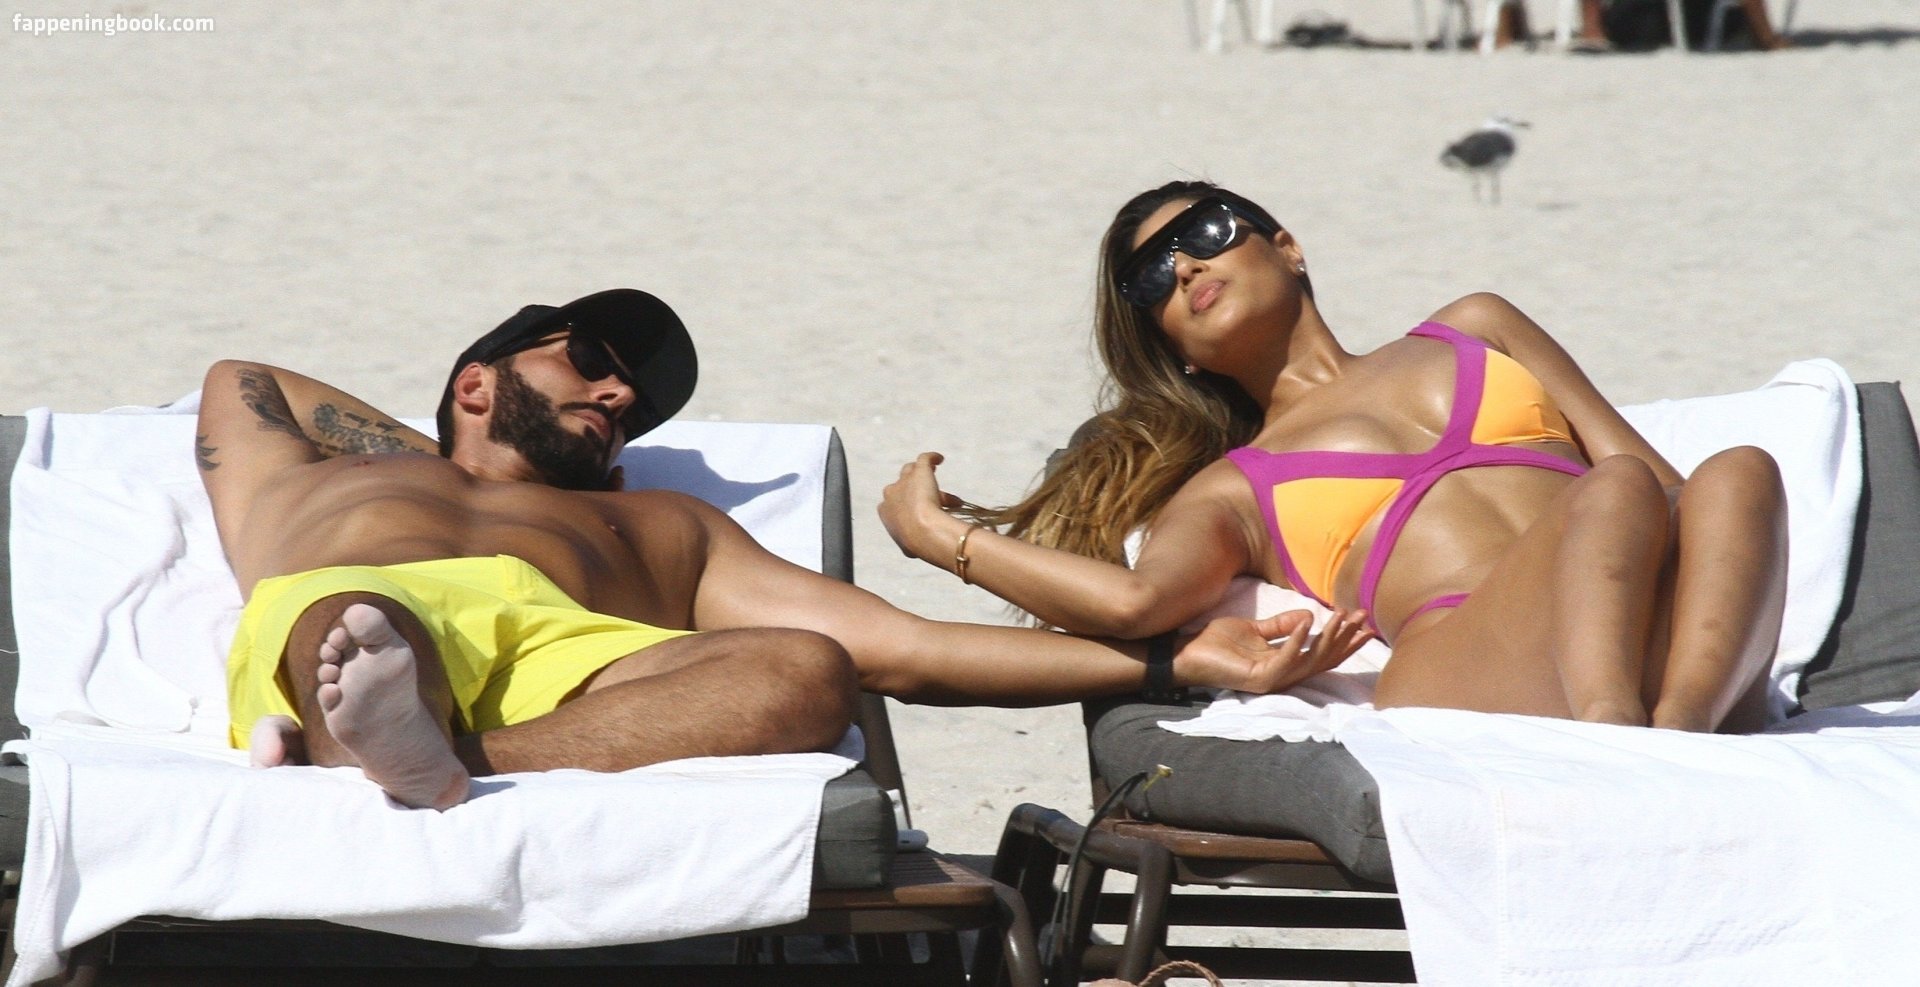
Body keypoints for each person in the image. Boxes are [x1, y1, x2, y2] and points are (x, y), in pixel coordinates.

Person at [200, 288, 1366, 811]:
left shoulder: (663, 523)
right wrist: (447, 467)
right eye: (591, 360)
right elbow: (241, 379)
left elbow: (905, 650)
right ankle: (388, 723)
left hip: (579, 661)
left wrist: (1176, 662)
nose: (619, 394)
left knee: (808, 672)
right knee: (363, 627)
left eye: (633, 401)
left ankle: (429, 758)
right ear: (476, 379)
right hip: (364, 604)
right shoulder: (334, 480)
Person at [880, 181, 1788, 734]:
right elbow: (1136, 604)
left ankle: (1679, 731)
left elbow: (1666, 484)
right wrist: (941, 538)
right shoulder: (1234, 487)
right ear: (1176, 351)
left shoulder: (1479, 326)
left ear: (1287, 247)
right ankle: (1623, 744)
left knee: (1739, 470)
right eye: (1154, 279)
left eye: (1207, 233)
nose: (1185, 269)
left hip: (1640, 616)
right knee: (1614, 491)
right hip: (1471, 654)